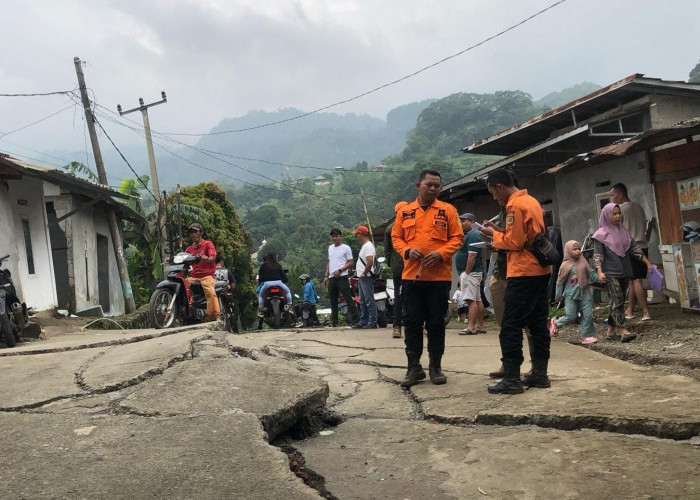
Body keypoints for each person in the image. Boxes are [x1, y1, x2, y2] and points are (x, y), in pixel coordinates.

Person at [479, 168, 551, 395]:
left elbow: (515, 242)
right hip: (541, 269)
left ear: (500, 187)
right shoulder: (532, 202)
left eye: (493, 193)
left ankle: (512, 377)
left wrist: (493, 235)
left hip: (523, 271)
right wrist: (500, 232)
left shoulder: (514, 205)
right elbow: (525, 234)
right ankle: (540, 374)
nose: (494, 198)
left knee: (510, 324)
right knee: (538, 322)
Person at [391, 169, 464, 387]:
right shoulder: (404, 212)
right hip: (412, 277)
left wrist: (441, 253)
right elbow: (396, 237)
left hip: (438, 279)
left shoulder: (448, 210)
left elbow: (458, 237)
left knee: (436, 323)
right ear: (418, 186)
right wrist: (406, 251)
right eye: (429, 185)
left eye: (437, 186)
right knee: (412, 323)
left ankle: (435, 367)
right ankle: (413, 367)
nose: (433, 189)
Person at [593, 203, 652, 343]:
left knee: (617, 300)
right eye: (614, 213)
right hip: (609, 273)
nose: (618, 216)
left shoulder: (624, 232)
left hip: (625, 271)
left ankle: (610, 330)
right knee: (618, 298)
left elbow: (634, 249)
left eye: (619, 213)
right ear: (607, 215)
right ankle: (623, 330)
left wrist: (646, 262)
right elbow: (598, 255)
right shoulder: (600, 235)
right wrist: (599, 271)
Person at [610, 183, 652, 321]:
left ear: (620, 194)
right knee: (633, 279)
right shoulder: (638, 207)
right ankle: (630, 310)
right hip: (643, 246)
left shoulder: (620, 210)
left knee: (636, 280)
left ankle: (646, 312)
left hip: (630, 248)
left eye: (613, 195)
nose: (612, 198)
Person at [551, 240, 598, 344]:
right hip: (570, 295)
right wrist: (558, 296)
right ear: (568, 251)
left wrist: (598, 277)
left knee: (588, 315)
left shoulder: (583, 261)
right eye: (574, 249)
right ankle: (556, 322)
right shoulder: (565, 265)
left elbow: (590, 273)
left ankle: (587, 336)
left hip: (584, 292)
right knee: (571, 317)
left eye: (578, 249)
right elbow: (560, 282)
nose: (578, 251)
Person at [455, 213, 486, 335]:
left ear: (472, 222)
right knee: (477, 299)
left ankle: (471, 327)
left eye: (464, 221)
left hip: (471, 273)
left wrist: (466, 273)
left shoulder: (473, 234)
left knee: (470, 300)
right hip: (474, 273)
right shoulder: (470, 235)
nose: (461, 224)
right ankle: (479, 325)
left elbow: (472, 255)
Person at [324, 228, 359, 327]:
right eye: (333, 236)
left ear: (340, 236)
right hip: (331, 277)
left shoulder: (346, 248)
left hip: (342, 276)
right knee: (333, 300)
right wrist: (326, 275)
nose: (335, 238)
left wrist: (340, 270)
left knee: (348, 299)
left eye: (336, 236)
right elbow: (329, 262)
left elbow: (350, 262)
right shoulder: (330, 248)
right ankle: (334, 321)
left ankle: (356, 320)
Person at [185, 223, 220, 322]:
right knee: (182, 285)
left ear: (201, 233)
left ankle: (215, 315)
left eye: (195, 231)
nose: (193, 234)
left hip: (207, 275)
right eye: (191, 232)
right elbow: (183, 258)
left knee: (210, 292)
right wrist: (171, 259)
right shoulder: (189, 249)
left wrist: (207, 259)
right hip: (193, 276)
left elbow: (213, 257)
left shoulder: (208, 244)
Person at [385, 201, 407, 338]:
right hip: (410, 268)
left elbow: (387, 252)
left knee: (399, 297)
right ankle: (416, 325)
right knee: (414, 297)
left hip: (399, 269)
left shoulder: (389, 229)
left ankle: (397, 327)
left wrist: (391, 263)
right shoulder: (412, 226)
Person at [352, 225, 378, 329]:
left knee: (368, 300)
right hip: (362, 277)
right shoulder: (365, 246)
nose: (356, 236)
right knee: (362, 300)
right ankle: (364, 321)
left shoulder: (367, 246)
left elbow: (370, 261)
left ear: (361, 234)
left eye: (357, 234)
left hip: (366, 277)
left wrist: (363, 273)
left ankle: (372, 321)